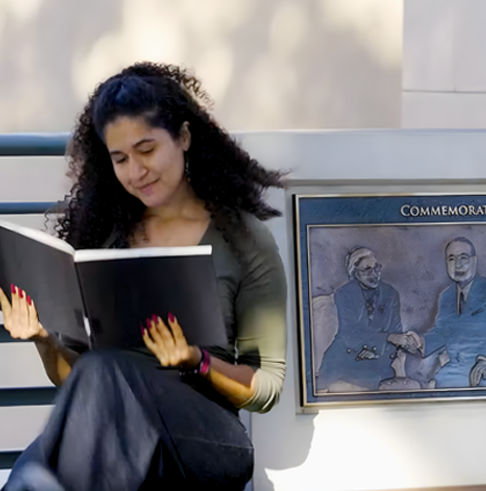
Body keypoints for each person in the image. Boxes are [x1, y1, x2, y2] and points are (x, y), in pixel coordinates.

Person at [0, 62, 287, 490]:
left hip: (204, 441)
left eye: (147, 150)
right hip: (111, 444)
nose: (136, 171)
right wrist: (43, 338)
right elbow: (81, 383)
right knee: (99, 372)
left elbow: (266, 388)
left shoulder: (244, 240)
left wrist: (197, 360)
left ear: (184, 138)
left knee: (57, 453)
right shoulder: (108, 238)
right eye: (120, 158)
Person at [423, 237, 486, 388]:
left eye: (463, 258)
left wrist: (484, 360)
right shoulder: (446, 296)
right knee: (432, 386)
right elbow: (441, 331)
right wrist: (420, 343)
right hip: (458, 368)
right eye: (452, 259)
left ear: (474, 261)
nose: (458, 264)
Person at [316, 247, 415, 392]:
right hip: (344, 353)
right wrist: (386, 338)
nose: (374, 274)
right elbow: (349, 333)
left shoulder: (391, 294)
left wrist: (379, 349)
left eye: (376, 268)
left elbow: (396, 331)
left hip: (380, 354)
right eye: (367, 270)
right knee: (331, 382)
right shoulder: (343, 295)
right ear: (355, 273)